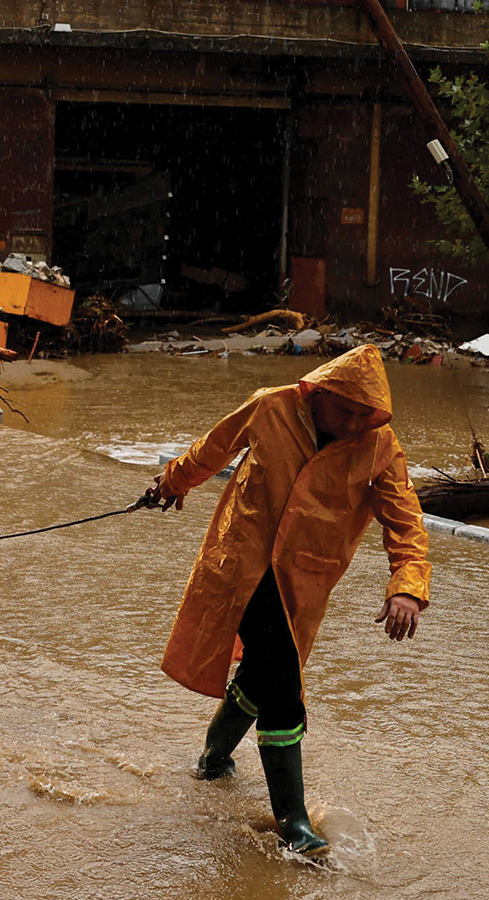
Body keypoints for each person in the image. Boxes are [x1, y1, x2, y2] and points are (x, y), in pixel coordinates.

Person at [146, 344, 430, 858]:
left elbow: (407, 524)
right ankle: (294, 821)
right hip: (243, 566)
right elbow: (211, 450)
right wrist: (171, 482)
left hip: (304, 583)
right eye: (344, 410)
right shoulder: (269, 407)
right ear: (315, 393)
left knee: (260, 671)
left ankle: (213, 756)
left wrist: (407, 585)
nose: (351, 423)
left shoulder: (379, 447)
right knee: (281, 680)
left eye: (362, 415)